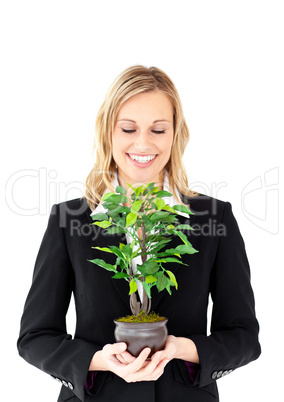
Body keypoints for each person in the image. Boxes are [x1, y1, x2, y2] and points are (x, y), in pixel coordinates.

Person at [17, 65, 261, 402]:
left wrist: (182, 349)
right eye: (128, 128)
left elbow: (243, 337)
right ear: (108, 133)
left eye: (158, 130)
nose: (143, 143)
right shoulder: (69, 219)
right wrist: (97, 361)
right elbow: (36, 336)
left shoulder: (214, 218)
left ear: (175, 134)